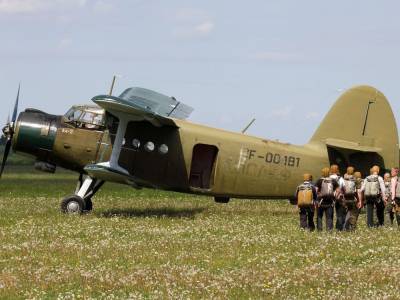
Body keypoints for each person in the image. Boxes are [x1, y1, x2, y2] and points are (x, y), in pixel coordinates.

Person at [343, 166, 360, 231]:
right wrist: (358, 200)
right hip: (352, 198)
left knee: (345, 213)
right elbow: (357, 191)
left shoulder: (343, 179)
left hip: (344, 198)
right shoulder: (355, 179)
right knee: (353, 213)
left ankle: (344, 227)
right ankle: (352, 228)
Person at [329, 164, 345, 231]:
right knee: (339, 213)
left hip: (329, 197)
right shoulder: (340, 178)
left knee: (329, 214)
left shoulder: (328, 178)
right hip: (338, 197)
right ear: (337, 170)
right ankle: (339, 228)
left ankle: (329, 228)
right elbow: (344, 188)